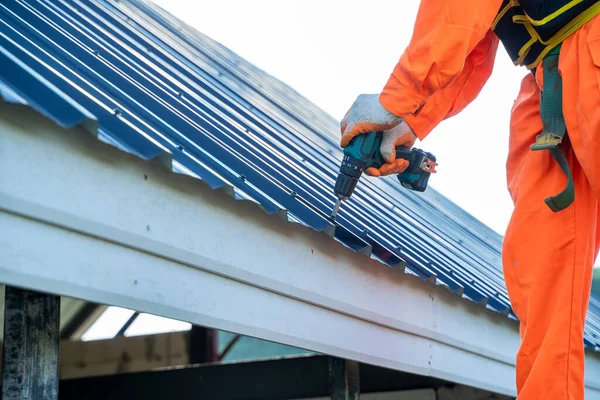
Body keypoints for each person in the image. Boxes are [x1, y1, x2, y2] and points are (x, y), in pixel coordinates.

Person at [340, 1, 600, 398]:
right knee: (543, 278)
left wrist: (396, 99)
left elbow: (458, 10)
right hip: (552, 80)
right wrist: (407, 121)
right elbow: (472, 49)